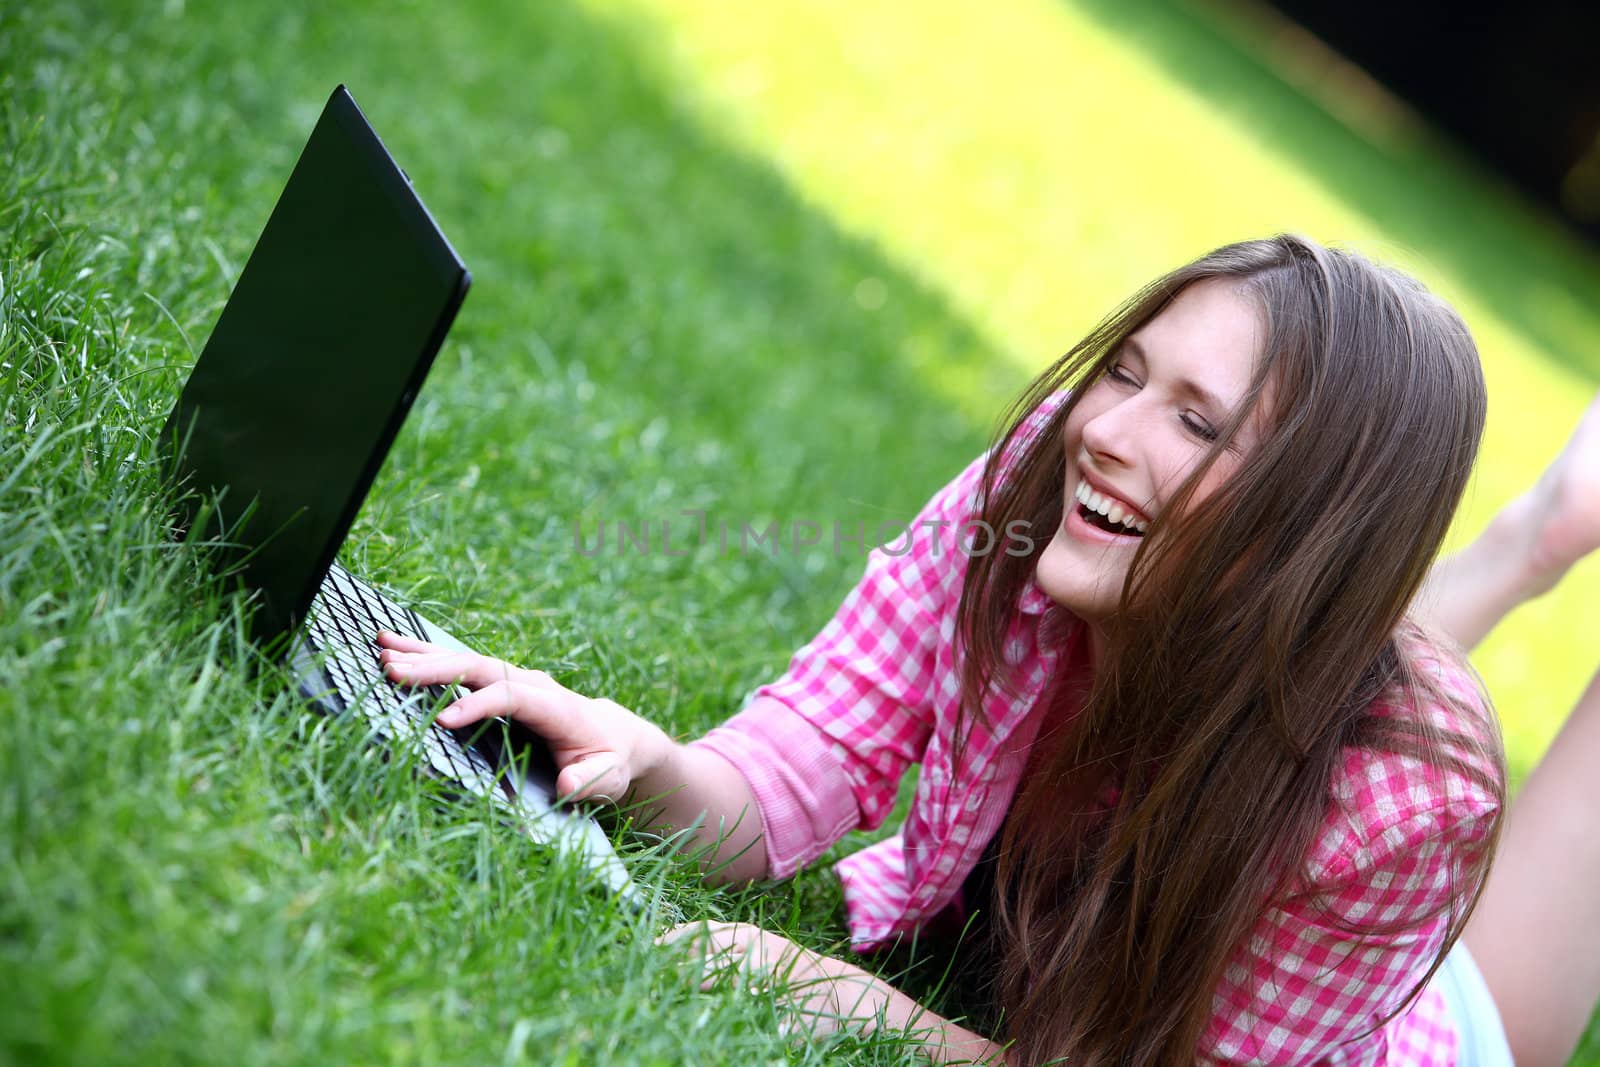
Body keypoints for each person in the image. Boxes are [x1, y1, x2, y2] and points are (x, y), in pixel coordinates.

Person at [375, 235, 1600, 1066]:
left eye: (1194, 420)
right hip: (1280, 643)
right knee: (1303, 650)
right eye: (1123, 370)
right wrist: (647, 764)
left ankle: (1533, 540)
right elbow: (803, 756)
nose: (1104, 432)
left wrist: (877, 1013)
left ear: (1309, 510)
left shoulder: (1401, 806)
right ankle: (1538, 537)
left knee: (1343, 706)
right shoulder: (1043, 499)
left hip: (1410, 1026)